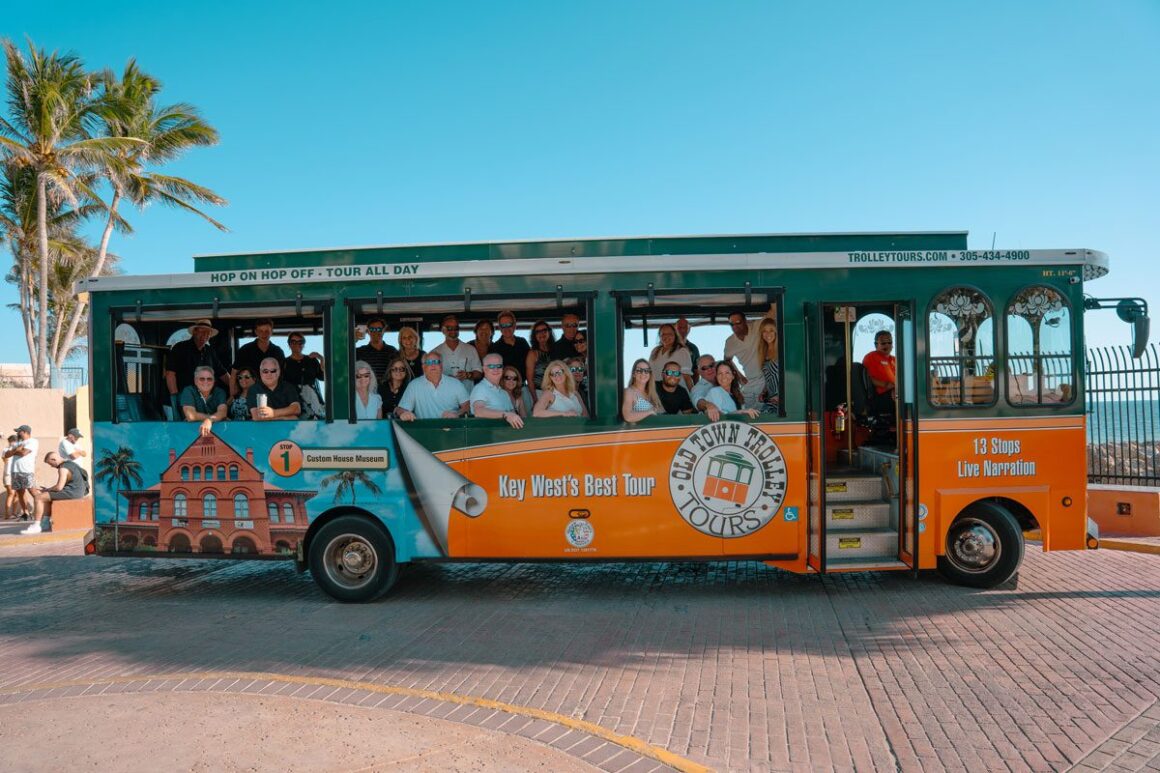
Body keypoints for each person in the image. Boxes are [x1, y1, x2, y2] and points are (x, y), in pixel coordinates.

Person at [166, 319, 230, 409]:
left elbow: (222, 373)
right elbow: (170, 374)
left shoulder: (210, 351)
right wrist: (175, 398)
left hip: (205, 400)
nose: (205, 335)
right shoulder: (180, 348)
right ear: (194, 332)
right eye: (202, 331)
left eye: (208, 333)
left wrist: (237, 388)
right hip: (183, 399)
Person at [25, 452, 89, 535]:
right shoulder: (71, 464)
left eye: (50, 463)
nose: (51, 466)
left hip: (72, 493)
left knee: (39, 497)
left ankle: (36, 525)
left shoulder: (63, 468)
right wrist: (48, 490)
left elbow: (59, 487)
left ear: (54, 459)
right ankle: (45, 523)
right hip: (78, 492)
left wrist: (47, 489)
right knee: (46, 497)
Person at [395, 352, 470, 420]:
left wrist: (457, 414)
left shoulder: (455, 383)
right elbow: (400, 409)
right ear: (423, 367)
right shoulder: (414, 385)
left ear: (441, 366)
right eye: (429, 362)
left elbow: (467, 405)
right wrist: (404, 414)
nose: (433, 365)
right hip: (424, 429)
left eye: (436, 362)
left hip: (451, 427)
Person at [724, 310, 770, 409]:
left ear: (745, 321)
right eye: (731, 324)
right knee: (747, 413)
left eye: (738, 322)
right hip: (749, 382)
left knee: (764, 412)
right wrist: (740, 377)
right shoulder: (730, 342)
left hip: (765, 379)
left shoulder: (756, 326)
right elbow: (727, 361)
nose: (735, 326)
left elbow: (773, 313)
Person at [232, 318, 286, 393]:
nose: (264, 334)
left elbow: (281, 376)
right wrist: (232, 395)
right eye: (261, 331)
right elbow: (234, 373)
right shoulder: (245, 350)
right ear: (256, 332)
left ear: (271, 332)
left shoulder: (278, 352)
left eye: (267, 331)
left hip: (272, 393)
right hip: (249, 393)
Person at [470, 354, 524, 428]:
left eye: (499, 366)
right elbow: (478, 412)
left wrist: (510, 415)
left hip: (506, 433)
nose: (496, 369)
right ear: (484, 369)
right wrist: (505, 415)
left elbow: (512, 414)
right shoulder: (480, 388)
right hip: (488, 434)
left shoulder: (504, 393)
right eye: (491, 366)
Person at [180, 366, 229, 437]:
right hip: (190, 434)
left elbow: (222, 412)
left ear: (214, 381)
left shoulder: (220, 392)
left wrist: (209, 420)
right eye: (202, 379)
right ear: (195, 381)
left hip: (217, 434)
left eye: (209, 379)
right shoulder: (188, 391)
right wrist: (211, 419)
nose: (206, 382)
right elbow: (191, 416)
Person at [432, 314, 481, 383]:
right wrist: (443, 378)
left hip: (466, 390)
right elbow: (430, 375)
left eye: (456, 328)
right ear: (442, 330)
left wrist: (468, 375)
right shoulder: (434, 352)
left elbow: (479, 373)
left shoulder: (471, 349)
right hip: (444, 390)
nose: (453, 330)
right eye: (449, 328)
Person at [3, 425, 38, 521]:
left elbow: (24, 453)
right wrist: (17, 449)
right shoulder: (18, 443)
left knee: (32, 491)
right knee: (20, 493)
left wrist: (15, 451)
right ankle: (26, 514)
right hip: (15, 471)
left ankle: (44, 511)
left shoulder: (33, 441)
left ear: (26, 432)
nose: (18, 433)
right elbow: (7, 454)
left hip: (26, 470)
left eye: (19, 431)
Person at [648, 323, 693, 389]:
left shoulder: (682, 351)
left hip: (677, 392)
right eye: (663, 334)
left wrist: (693, 394)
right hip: (656, 391)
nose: (666, 336)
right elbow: (649, 373)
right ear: (659, 336)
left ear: (675, 335)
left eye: (670, 334)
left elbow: (687, 377)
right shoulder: (655, 351)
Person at [862, 330, 896, 415]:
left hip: (894, 392)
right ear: (876, 344)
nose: (887, 345)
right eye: (883, 343)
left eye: (889, 342)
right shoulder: (871, 357)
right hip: (878, 396)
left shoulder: (895, 359)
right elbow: (869, 379)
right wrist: (886, 385)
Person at [355, 317, 398, 383]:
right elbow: (344, 358)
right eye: (372, 329)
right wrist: (353, 339)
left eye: (379, 329)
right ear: (368, 331)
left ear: (384, 330)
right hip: (367, 388)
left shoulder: (393, 351)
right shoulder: (359, 351)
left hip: (387, 388)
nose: (376, 331)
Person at [622, 359, 661, 423]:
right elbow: (628, 417)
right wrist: (649, 412)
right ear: (633, 374)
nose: (643, 373)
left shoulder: (651, 394)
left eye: (646, 371)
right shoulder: (629, 392)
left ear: (650, 374)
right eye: (639, 370)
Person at [525, 320, 554, 403]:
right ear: (534, 336)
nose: (541, 334)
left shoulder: (556, 350)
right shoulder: (533, 353)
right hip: (539, 393)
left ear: (549, 332)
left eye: (544, 330)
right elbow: (529, 380)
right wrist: (535, 399)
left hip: (556, 393)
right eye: (538, 332)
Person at [757, 318, 781, 414]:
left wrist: (781, 395)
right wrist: (764, 391)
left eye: (771, 330)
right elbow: (769, 377)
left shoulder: (781, 350)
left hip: (782, 399)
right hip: (771, 398)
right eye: (764, 331)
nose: (768, 334)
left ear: (776, 332)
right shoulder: (763, 352)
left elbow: (791, 375)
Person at [3, 434, 23, 520]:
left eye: (14, 441)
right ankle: (7, 514)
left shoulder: (19, 450)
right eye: (11, 441)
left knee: (17, 494)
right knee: (11, 493)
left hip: (17, 474)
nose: (13, 443)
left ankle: (14, 513)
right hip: (8, 474)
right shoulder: (6, 450)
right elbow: (5, 460)